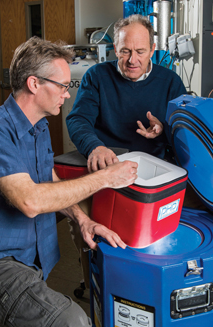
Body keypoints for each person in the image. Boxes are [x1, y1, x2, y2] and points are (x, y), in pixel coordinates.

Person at [0, 36, 138, 327]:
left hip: (29, 261)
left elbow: (47, 179)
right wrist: (106, 178)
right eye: (63, 85)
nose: (68, 94)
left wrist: (83, 220)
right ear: (34, 83)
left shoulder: (38, 127)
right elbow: (30, 200)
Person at [65, 14, 187, 289]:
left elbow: (184, 133)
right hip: (104, 172)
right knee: (82, 226)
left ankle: (149, 284)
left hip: (152, 176)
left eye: (140, 51)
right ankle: (96, 286)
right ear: (114, 50)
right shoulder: (96, 76)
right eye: (125, 51)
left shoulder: (170, 81)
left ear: (153, 50)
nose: (132, 59)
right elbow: (77, 119)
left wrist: (164, 130)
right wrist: (94, 146)